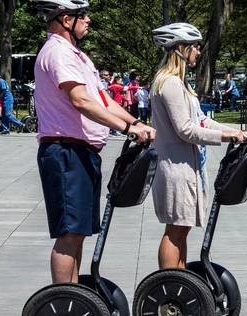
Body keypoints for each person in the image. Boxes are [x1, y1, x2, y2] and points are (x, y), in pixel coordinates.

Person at [32, 0, 156, 284]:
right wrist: (126, 129)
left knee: (79, 232)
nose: (88, 20)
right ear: (65, 20)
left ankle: (75, 296)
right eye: (82, 15)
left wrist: (136, 124)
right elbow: (81, 101)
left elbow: (103, 100)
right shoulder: (57, 52)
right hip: (65, 151)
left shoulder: (78, 56)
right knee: (68, 233)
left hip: (81, 151)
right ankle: (64, 301)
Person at [148, 23, 247, 269]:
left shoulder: (181, 82)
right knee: (175, 230)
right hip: (176, 167)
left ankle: (180, 280)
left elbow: (201, 120)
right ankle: (168, 285)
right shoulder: (170, 83)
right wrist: (227, 137)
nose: (198, 51)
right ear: (180, 48)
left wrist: (235, 132)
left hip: (186, 165)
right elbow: (185, 129)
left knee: (181, 230)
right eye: (195, 46)